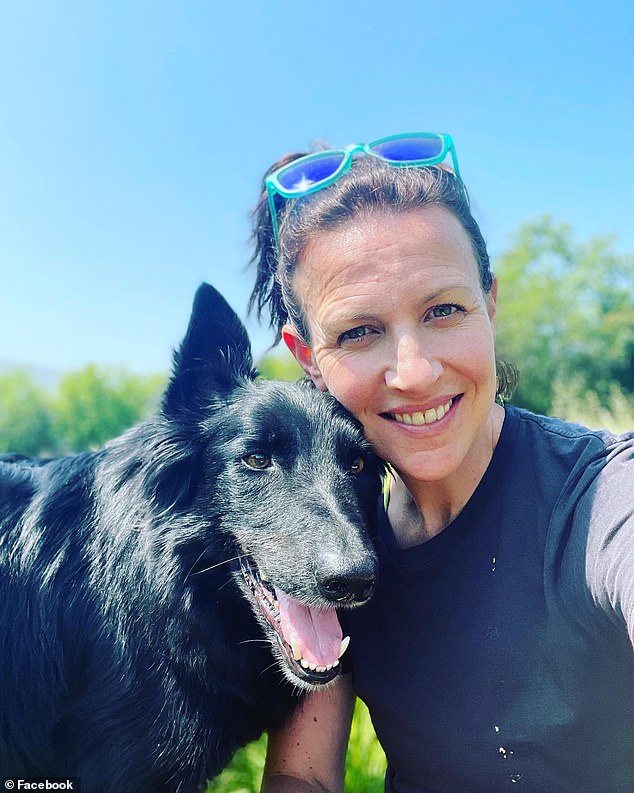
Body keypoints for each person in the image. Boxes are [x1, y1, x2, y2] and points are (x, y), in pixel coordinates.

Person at [247, 133, 634, 793]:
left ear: (490, 303)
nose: (416, 371)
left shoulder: (599, 496)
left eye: (443, 310)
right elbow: (303, 773)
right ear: (308, 358)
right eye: (359, 331)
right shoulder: (337, 543)